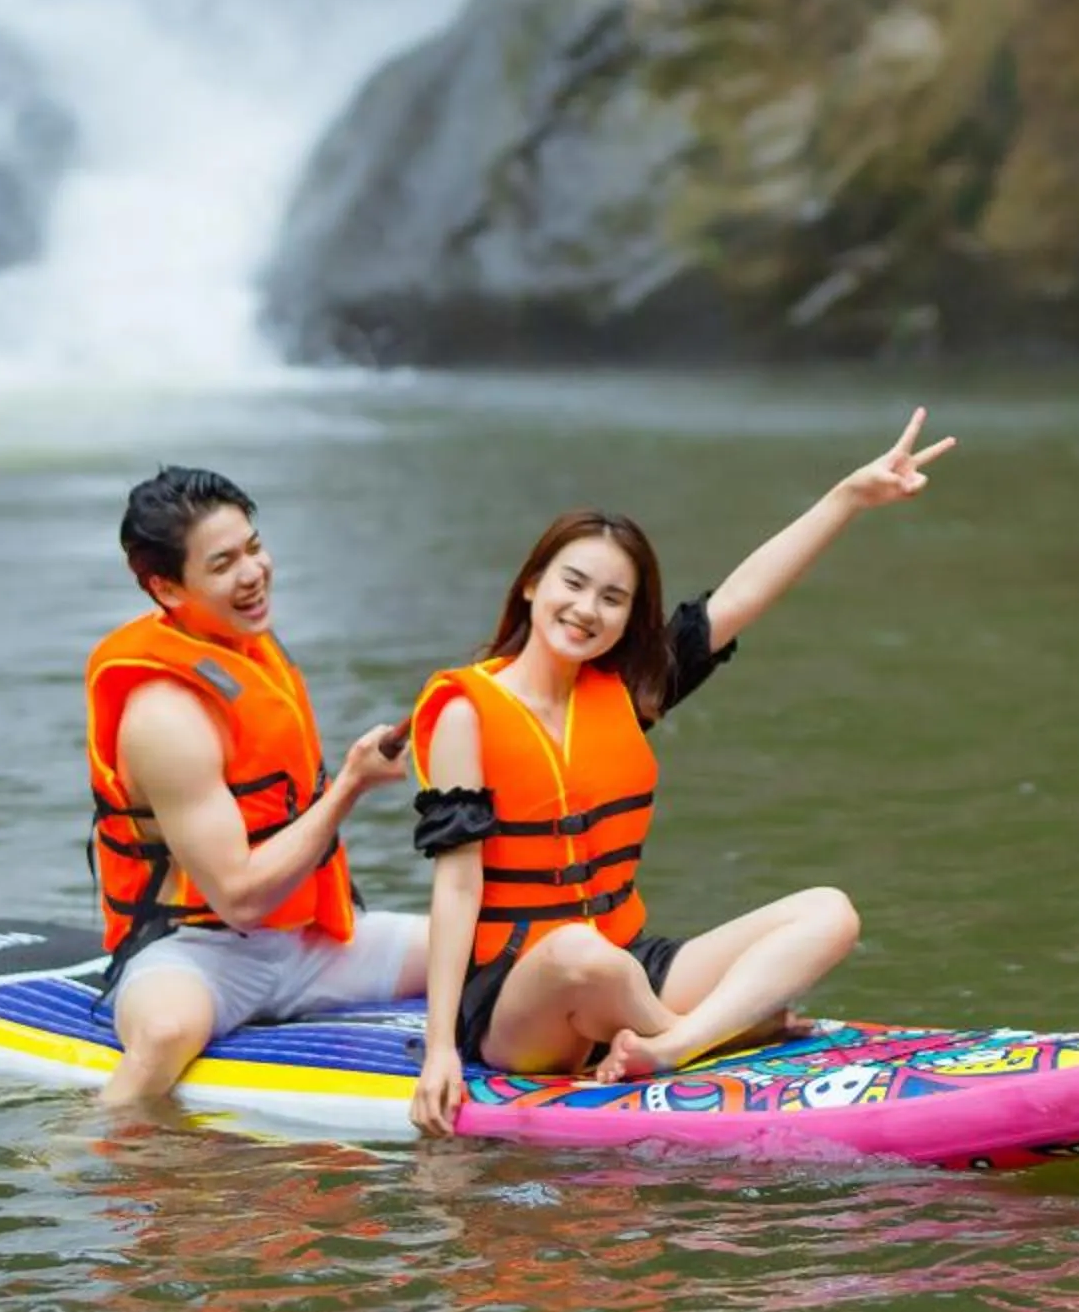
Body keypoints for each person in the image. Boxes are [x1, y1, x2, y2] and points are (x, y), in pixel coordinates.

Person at [407, 410, 957, 1134]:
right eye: (574, 584)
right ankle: (723, 1030)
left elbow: (739, 599)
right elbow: (456, 887)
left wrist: (847, 497)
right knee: (580, 955)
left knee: (830, 912)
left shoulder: (627, 693)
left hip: (628, 967)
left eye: (612, 598)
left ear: (628, 616)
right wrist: (439, 1051)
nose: (587, 609)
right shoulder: (466, 713)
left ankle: (673, 1045)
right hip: (519, 999)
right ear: (533, 584)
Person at [85, 466, 422, 1109]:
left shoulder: (248, 650)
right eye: (223, 565)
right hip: (196, 955)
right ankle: (80, 1147)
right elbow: (238, 898)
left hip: (307, 943)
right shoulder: (164, 716)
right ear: (166, 587)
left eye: (254, 548)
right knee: (164, 1034)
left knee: (483, 942)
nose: (253, 573)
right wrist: (350, 785)